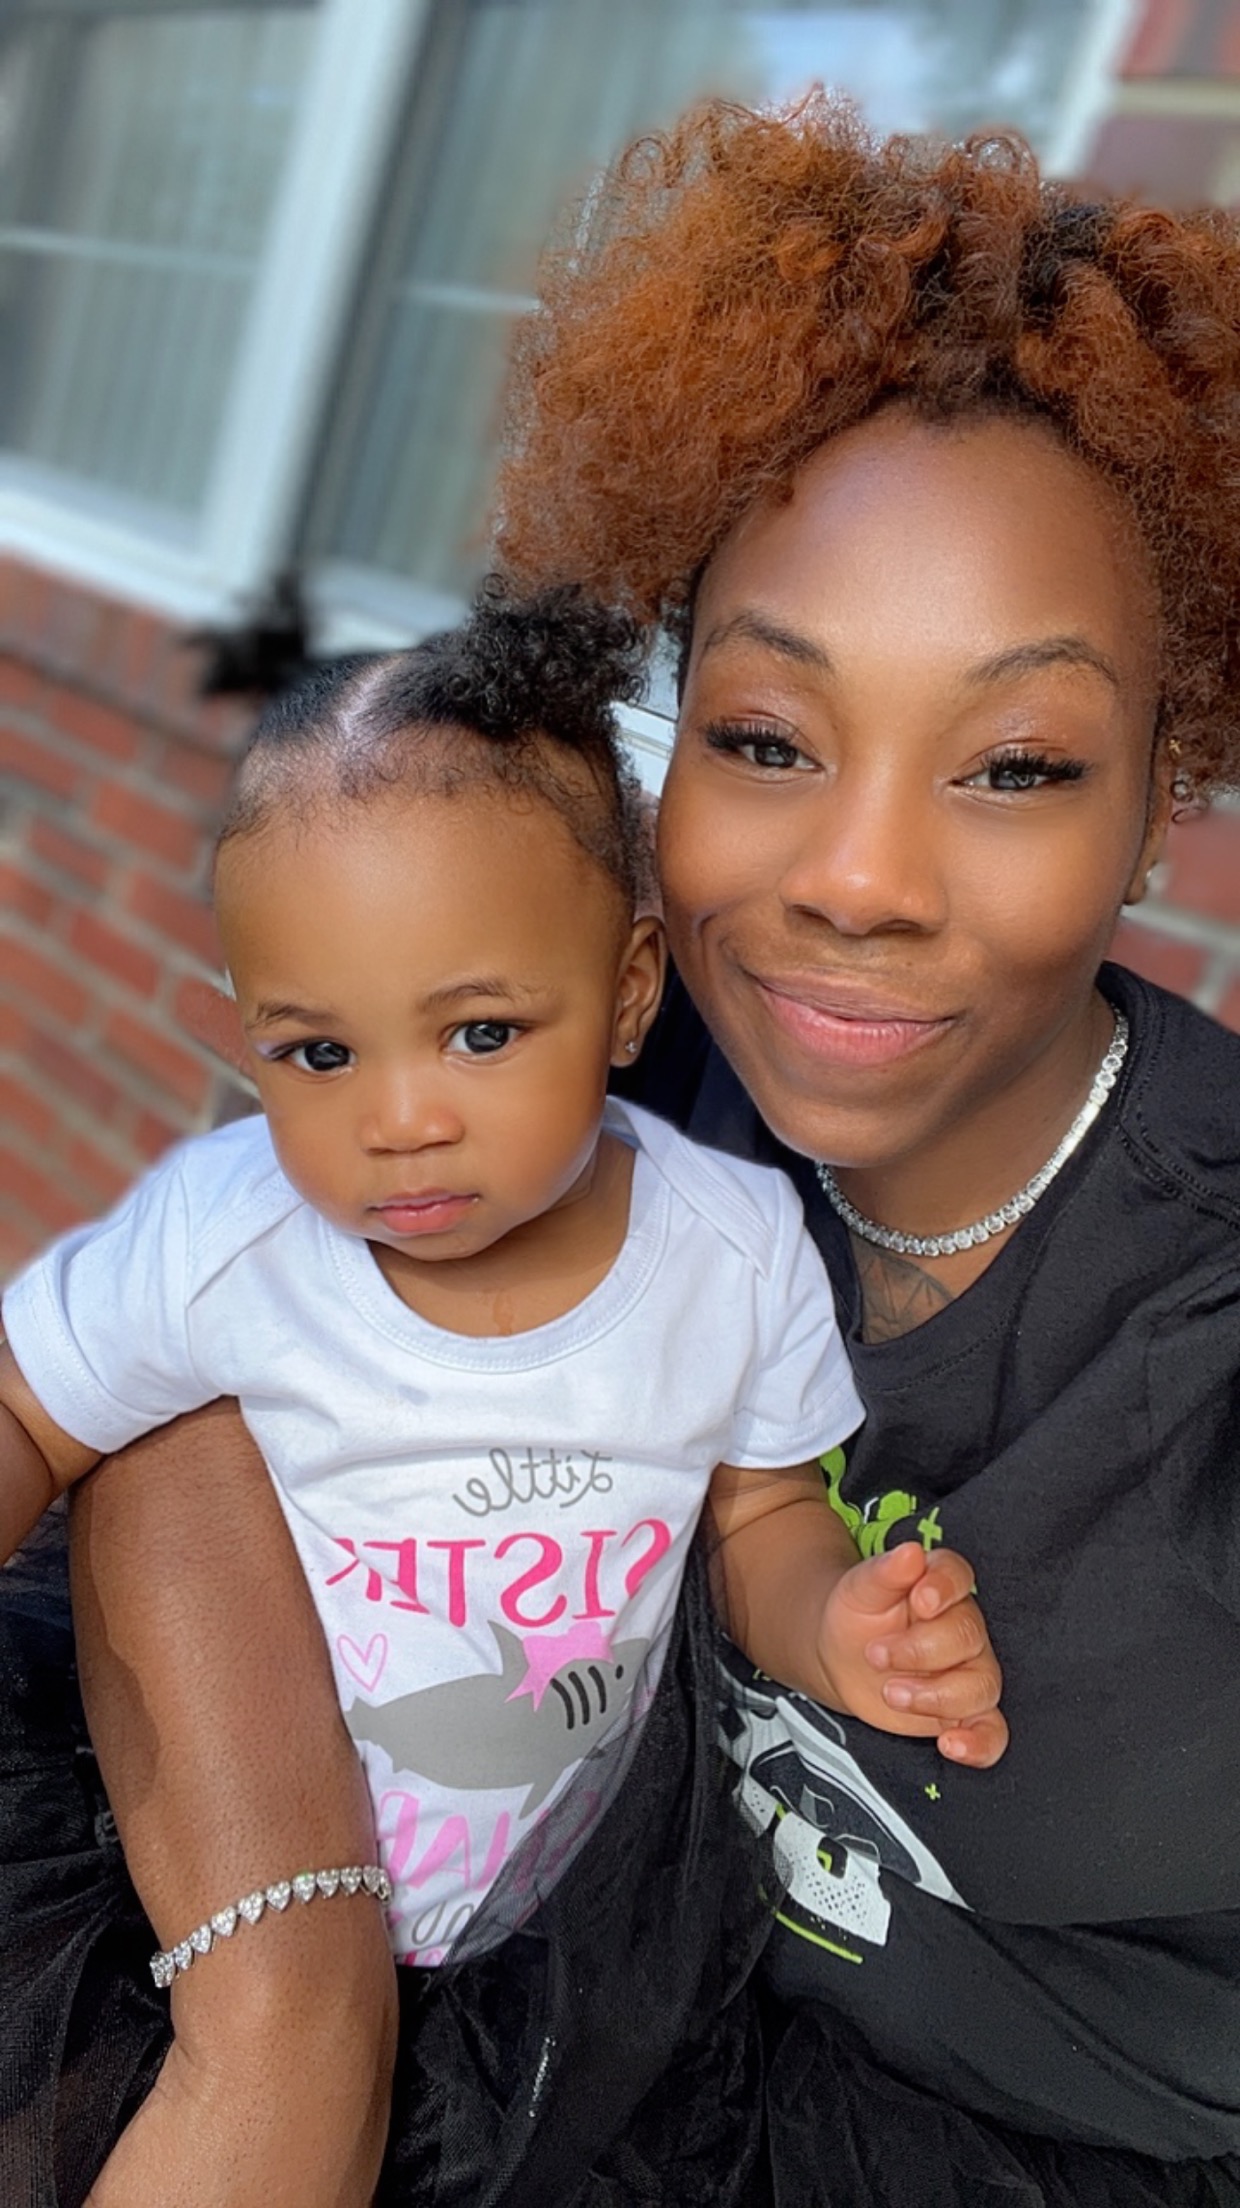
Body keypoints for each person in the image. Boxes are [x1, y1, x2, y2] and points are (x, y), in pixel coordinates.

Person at [4, 83, 1240, 2208]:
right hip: (536, 1978)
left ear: (1156, 799)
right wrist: (292, 1999)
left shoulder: (1196, 1346)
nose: (856, 880)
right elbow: (176, 1376)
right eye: (764, 736)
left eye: (1015, 764)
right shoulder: (598, 1072)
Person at [0, 583, 1001, 2207]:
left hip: (538, 1930)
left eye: (478, 1032)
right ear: (248, 1035)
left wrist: (836, 1625)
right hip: (214, 1855)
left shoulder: (729, 1251)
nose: (399, 1119)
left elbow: (757, 1514)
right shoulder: (225, 1241)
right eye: (320, 1054)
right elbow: (31, 1415)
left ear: (627, 991)